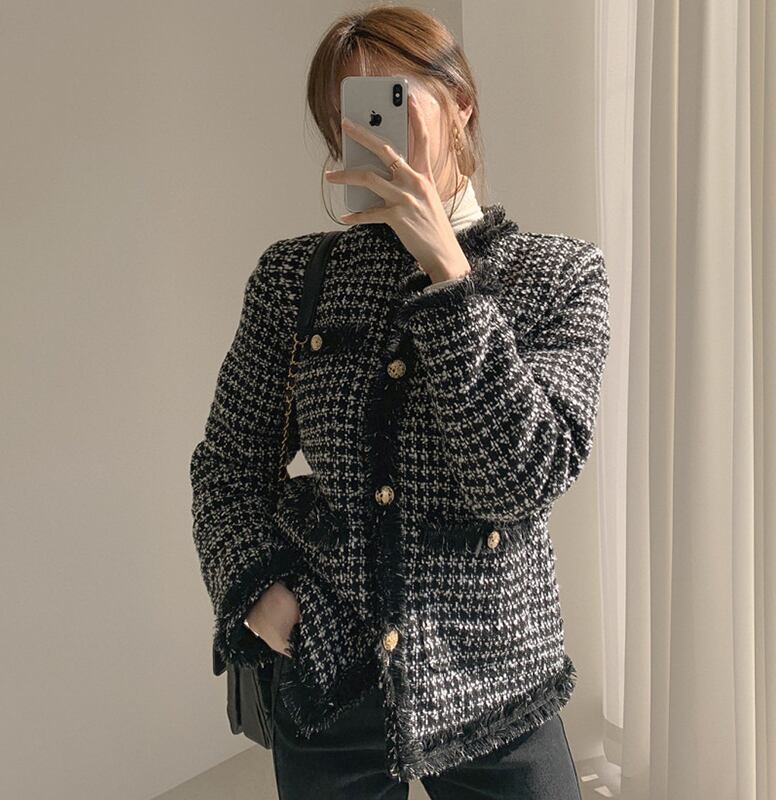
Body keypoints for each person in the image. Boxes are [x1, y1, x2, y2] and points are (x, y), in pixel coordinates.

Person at [190, 6, 610, 798]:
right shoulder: (295, 277)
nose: (369, 128)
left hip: (498, 681)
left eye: (390, 97)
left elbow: (521, 481)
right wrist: (264, 596)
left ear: (461, 104)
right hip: (330, 673)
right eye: (348, 113)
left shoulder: (559, 275)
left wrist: (450, 276)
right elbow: (229, 465)